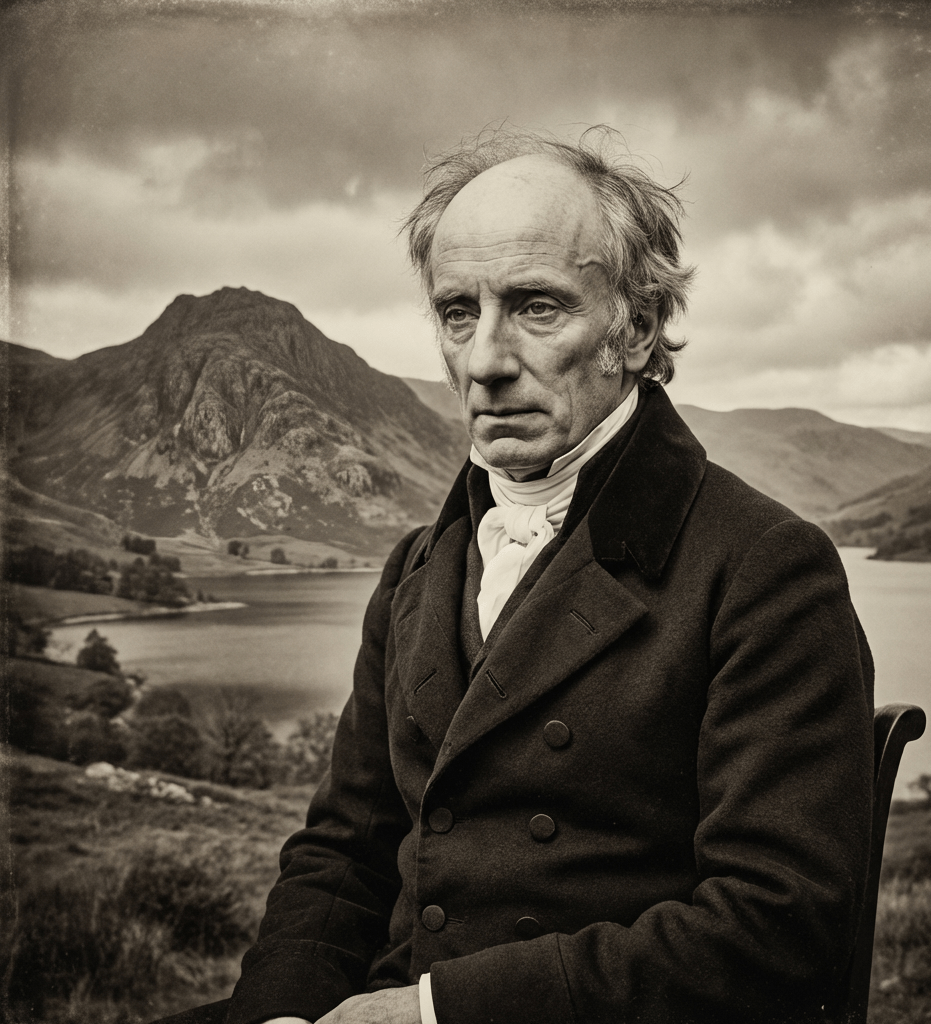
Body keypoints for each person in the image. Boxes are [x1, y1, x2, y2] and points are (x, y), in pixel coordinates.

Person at [157, 128, 874, 1024]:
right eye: (459, 311)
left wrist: (433, 1015)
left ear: (638, 326)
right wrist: (284, 1012)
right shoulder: (416, 569)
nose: (487, 362)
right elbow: (341, 855)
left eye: (536, 307)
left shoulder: (764, 567)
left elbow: (780, 928)